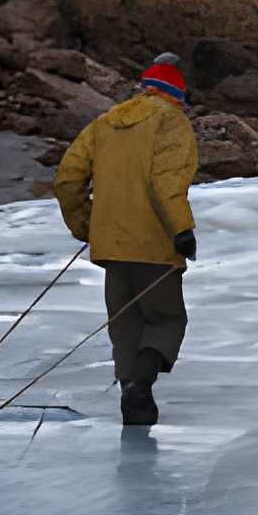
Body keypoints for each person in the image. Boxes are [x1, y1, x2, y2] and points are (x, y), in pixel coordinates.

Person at [54, 57, 198, 427]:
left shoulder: (105, 122)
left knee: (125, 326)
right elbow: (165, 181)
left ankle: (131, 398)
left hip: (112, 247)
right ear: (174, 95)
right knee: (166, 318)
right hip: (154, 245)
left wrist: (85, 225)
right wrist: (182, 230)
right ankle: (141, 388)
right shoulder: (171, 121)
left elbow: (68, 178)